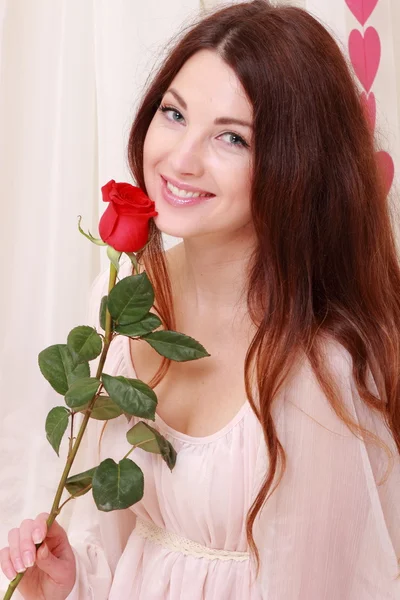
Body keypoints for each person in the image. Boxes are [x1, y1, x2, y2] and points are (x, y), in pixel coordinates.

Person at [2, 0, 400, 598]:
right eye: (174, 113)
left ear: (295, 166)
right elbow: (126, 542)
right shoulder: (122, 302)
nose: (181, 159)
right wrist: (66, 580)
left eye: (232, 138)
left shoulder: (316, 369)